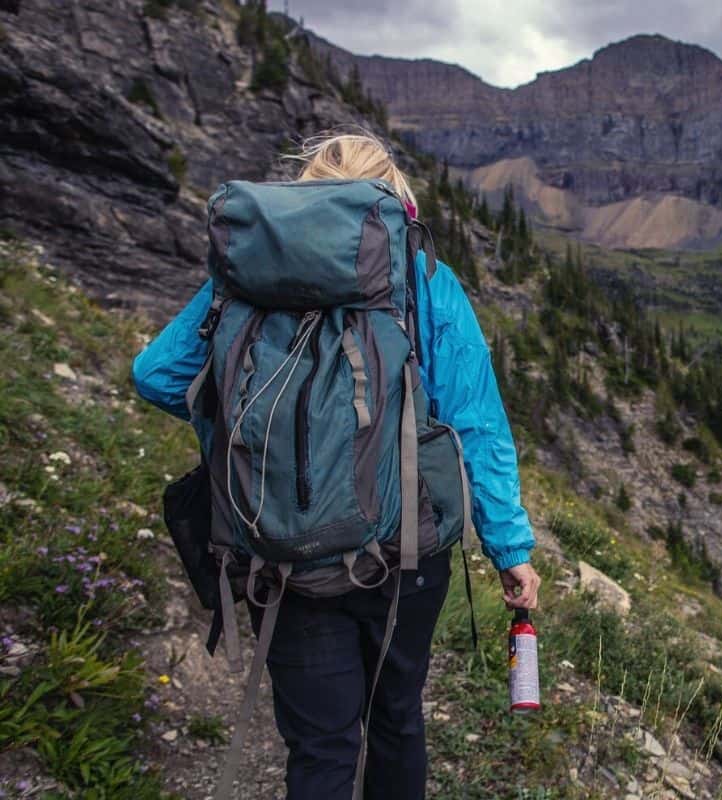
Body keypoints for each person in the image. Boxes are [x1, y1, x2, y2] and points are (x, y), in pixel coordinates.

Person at [131, 131, 541, 799]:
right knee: (397, 721)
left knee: (320, 747)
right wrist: (509, 549)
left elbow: (154, 375)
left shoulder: (242, 280)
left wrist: (248, 433)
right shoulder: (423, 280)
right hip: (404, 554)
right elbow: (477, 426)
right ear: (393, 198)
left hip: (281, 555)